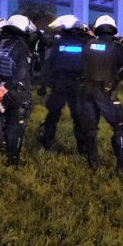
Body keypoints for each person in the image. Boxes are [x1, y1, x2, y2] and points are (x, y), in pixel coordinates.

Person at [80, 15, 123, 170]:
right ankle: (122, 163)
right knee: (119, 127)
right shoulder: (116, 47)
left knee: (90, 128)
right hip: (107, 93)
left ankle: (93, 162)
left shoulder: (89, 44)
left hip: (87, 90)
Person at [38, 14, 92, 153]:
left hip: (59, 84)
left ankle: (47, 144)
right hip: (77, 85)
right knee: (79, 118)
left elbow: (47, 64)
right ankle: (83, 148)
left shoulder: (57, 44)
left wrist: (43, 85)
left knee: (53, 116)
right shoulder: (84, 43)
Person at [0, 15, 36, 166]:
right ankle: (13, 159)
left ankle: (0, 146)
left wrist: (1, 84)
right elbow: (21, 73)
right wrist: (8, 85)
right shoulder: (22, 48)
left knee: (3, 120)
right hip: (17, 91)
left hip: (1, 89)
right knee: (17, 125)